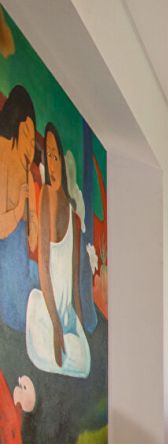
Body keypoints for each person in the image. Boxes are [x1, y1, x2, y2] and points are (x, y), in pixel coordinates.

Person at [25, 122, 89, 377]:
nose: (51, 164)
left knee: (85, 364)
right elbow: (43, 266)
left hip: (66, 312)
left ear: (61, 160)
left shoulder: (73, 214)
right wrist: (56, 327)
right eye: (48, 156)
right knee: (47, 353)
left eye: (55, 156)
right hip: (47, 310)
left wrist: (78, 322)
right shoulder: (45, 197)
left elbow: (74, 279)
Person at [0, 85, 37, 332]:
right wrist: (17, 212)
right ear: (19, 126)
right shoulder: (3, 154)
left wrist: (31, 219)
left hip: (20, 265)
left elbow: (33, 242)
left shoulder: (27, 174)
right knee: (20, 320)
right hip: (5, 267)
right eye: (30, 138)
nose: (32, 148)